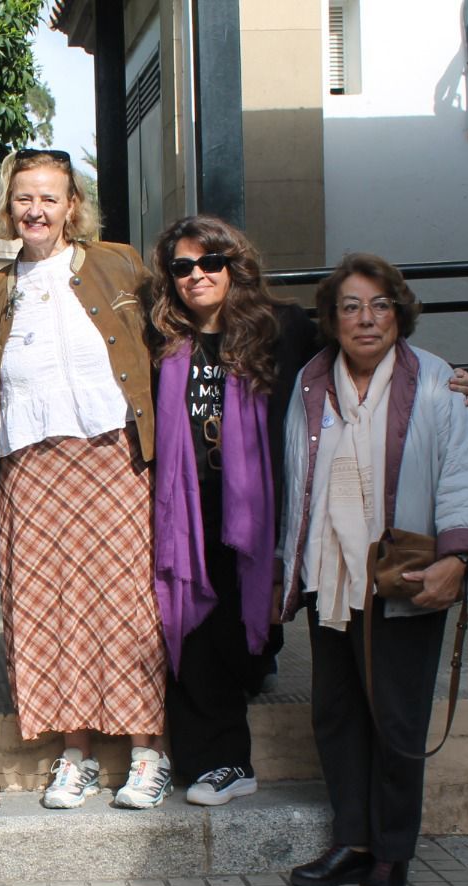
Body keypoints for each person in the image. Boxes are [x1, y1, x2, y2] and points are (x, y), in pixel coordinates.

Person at [0, 148, 168, 810]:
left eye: (49, 197)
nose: (36, 209)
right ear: (8, 207)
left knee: (128, 604)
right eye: (24, 198)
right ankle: (71, 755)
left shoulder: (119, 264)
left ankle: (146, 753)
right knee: (49, 609)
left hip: (113, 456)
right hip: (30, 466)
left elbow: (177, 335)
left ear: (73, 205)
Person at [280, 252, 468, 886]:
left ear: (399, 313)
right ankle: (354, 841)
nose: (365, 318)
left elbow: (461, 474)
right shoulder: (312, 382)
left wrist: (458, 560)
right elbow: (296, 475)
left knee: (397, 722)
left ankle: (393, 853)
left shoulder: (436, 384)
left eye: (378, 305)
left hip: (405, 577)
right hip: (332, 573)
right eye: (350, 306)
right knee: (339, 715)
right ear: (331, 319)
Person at [145, 216, 317, 804]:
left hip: (259, 510)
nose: (197, 276)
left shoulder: (283, 328)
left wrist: (444, 380)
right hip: (187, 510)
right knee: (193, 626)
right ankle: (217, 763)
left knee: (239, 635)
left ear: (233, 266)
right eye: (182, 267)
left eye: (209, 262)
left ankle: (236, 730)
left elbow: (358, 356)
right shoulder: (164, 341)